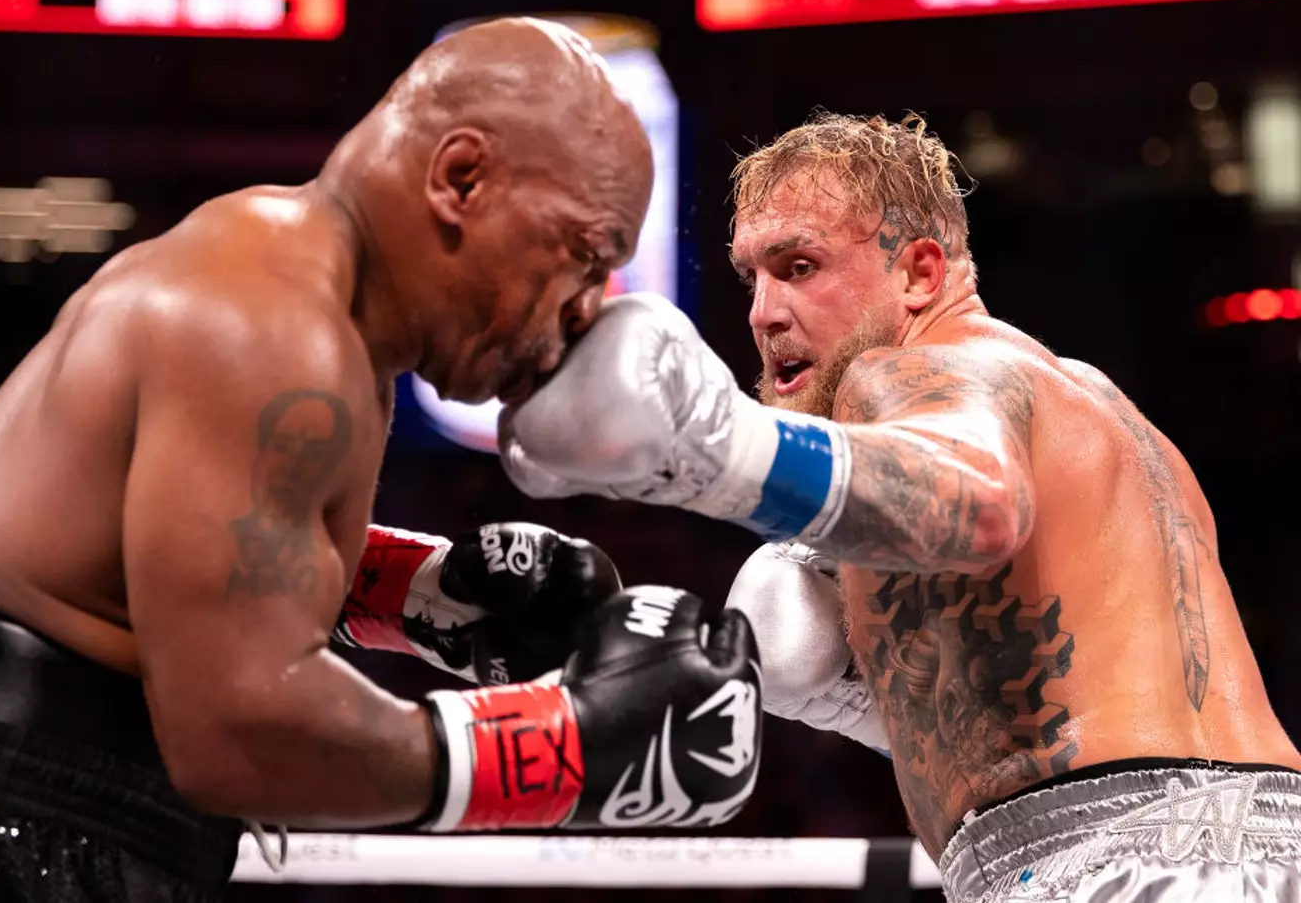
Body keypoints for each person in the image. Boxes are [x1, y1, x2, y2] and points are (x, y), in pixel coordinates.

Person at [0, 18, 764, 903]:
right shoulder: (263, 322)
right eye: (585, 253)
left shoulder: (312, 311)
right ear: (461, 178)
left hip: (32, 801)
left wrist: (430, 598)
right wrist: (563, 748)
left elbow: (196, 558)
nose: (587, 308)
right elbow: (238, 730)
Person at [500, 111, 1301, 902]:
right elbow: (1042, 716)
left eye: (800, 266)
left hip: (1108, 861)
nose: (763, 312)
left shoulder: (917, 372)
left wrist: (705, 446)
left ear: (919, 273)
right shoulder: (1105, 418)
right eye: (753, 277)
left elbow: (978, 502)